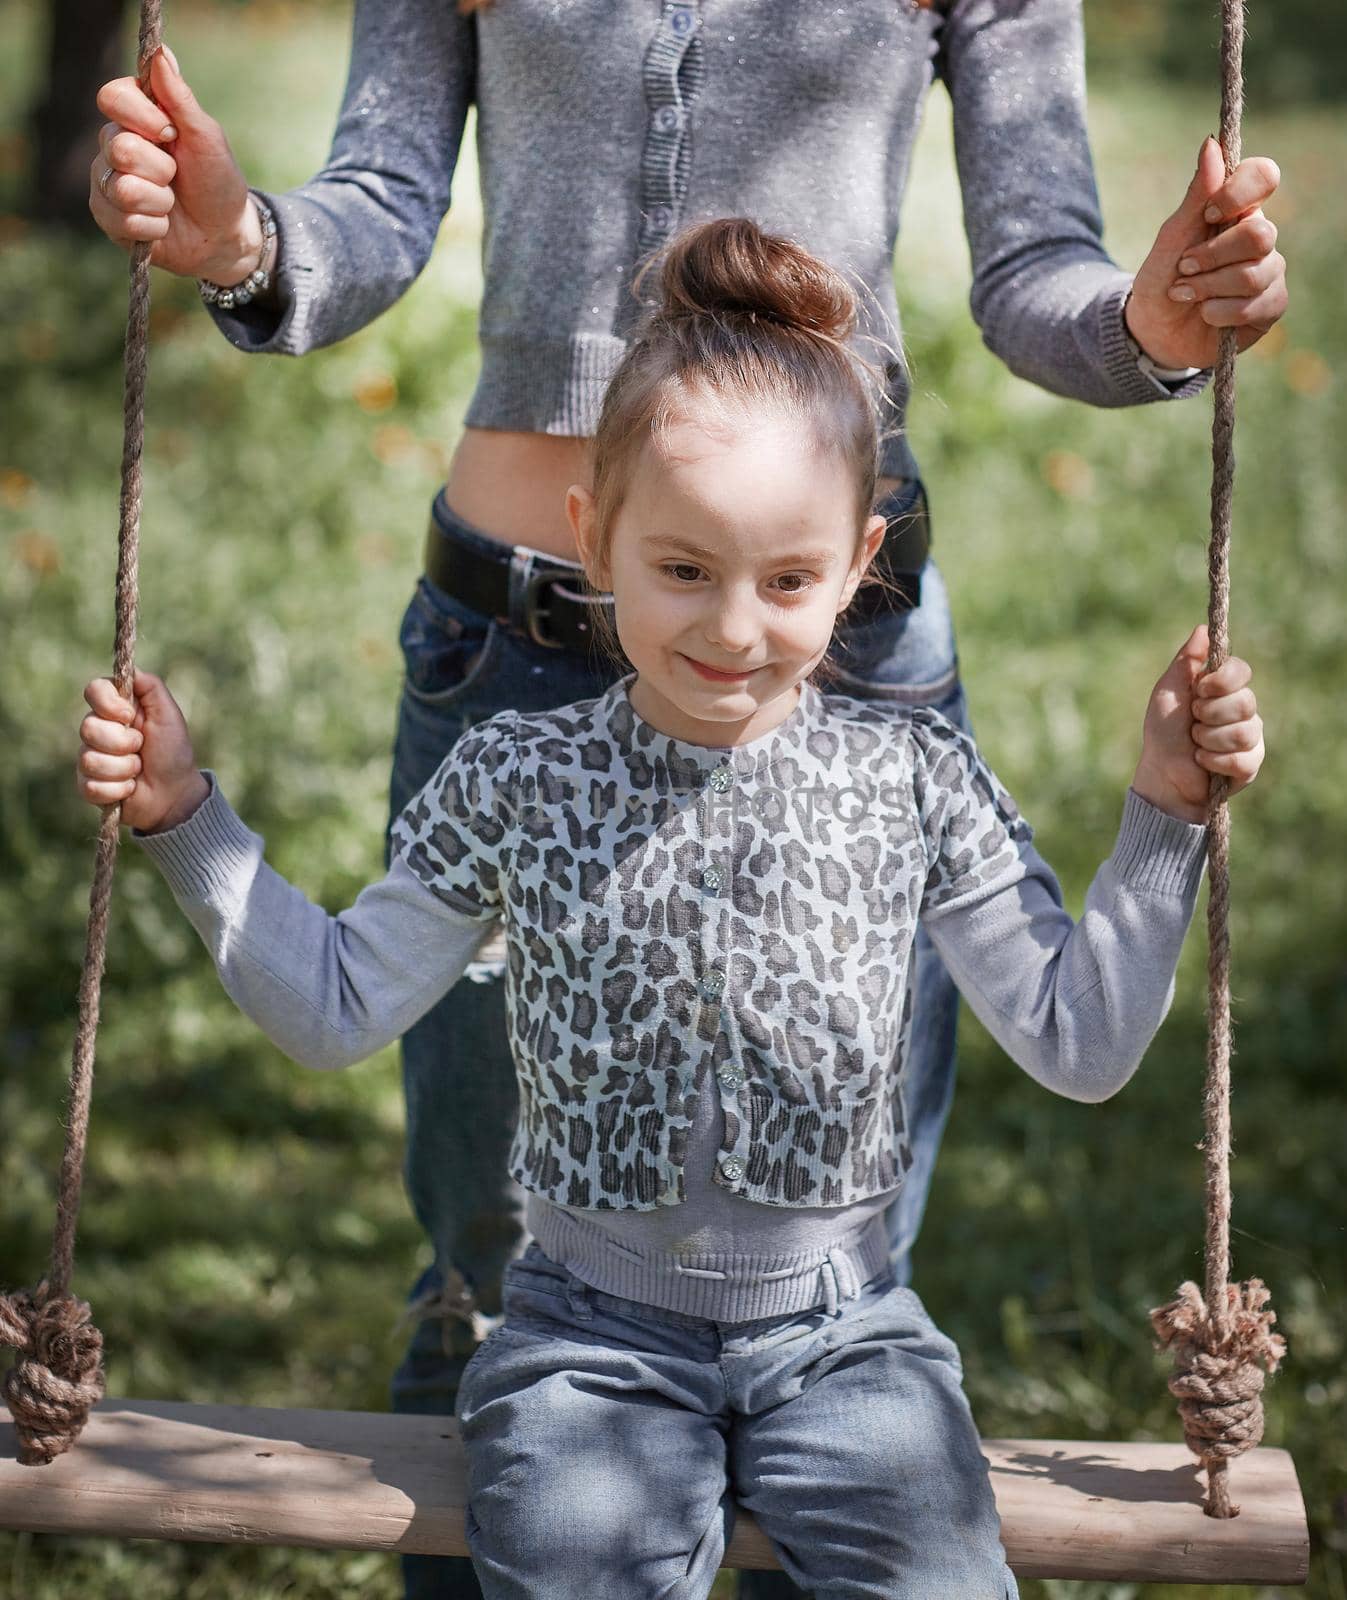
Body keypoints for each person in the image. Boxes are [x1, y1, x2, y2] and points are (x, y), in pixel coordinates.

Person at [86, 9, 1286, 1596]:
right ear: (606, 533)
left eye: (782, 581)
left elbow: (1037, 268)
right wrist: (239, 237)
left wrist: (1154, 316)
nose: (728, 628)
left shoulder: (894, 780)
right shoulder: (525, 787)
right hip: (505, 649)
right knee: (481, 1277)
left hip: (856, 692)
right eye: (688, 580)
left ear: (842, 569)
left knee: (835, 1238)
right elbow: (373, 206)